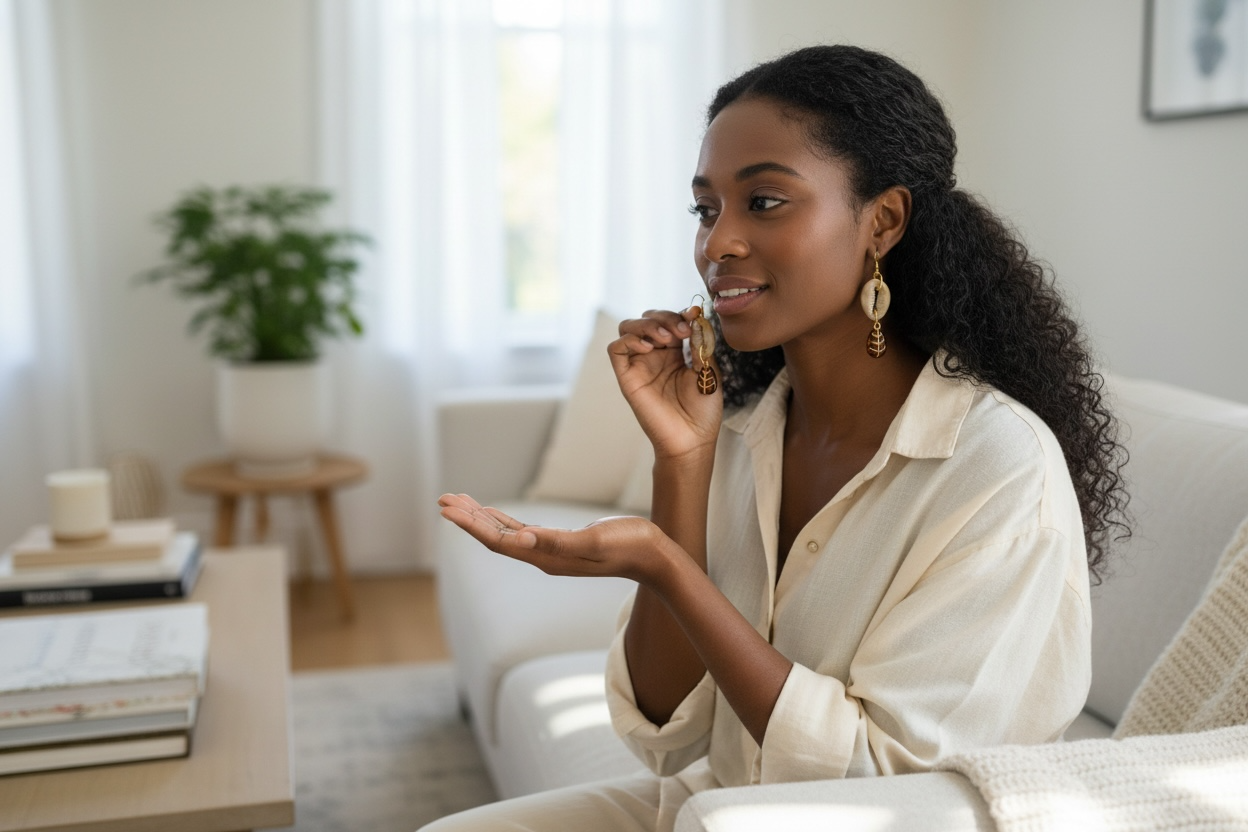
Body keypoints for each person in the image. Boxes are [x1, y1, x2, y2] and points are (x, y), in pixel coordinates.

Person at [425, 44, 1129, 832]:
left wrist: (666, 566)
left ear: (883, 221)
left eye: (764, 201)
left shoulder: (999, 468)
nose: (716, 242)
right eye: (705, 208)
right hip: (715, 805)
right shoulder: (741, 430)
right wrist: (681, 464)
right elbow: (665, 730)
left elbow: (884, 781)